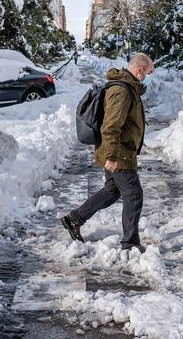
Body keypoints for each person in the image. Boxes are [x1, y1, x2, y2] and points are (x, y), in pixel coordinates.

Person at [62, 53, 153, 253]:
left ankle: (74, 219)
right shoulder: (122, 91)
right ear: (139, 70)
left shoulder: (126, 87)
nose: (147, 76)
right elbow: (110, 126)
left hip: (119, 149)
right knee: (134, 194)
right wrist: (111, 156)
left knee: (112, 191)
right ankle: (130, 243)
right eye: (148, 72)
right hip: (119, 151)